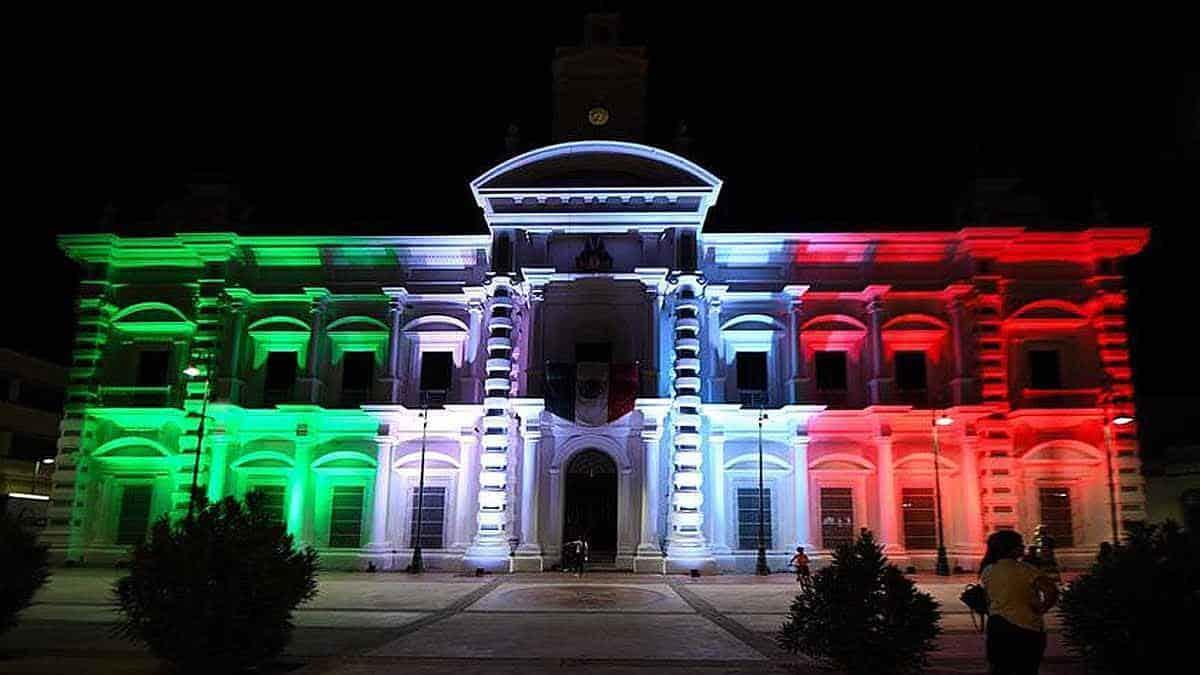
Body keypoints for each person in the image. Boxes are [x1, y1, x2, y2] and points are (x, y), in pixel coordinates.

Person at [979, 530, 1060, 675]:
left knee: (999, 668)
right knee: (1027, 668)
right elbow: (1051, 591)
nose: (1023, 548)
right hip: (1026, 626)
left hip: (997, 625)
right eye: (1020, 545)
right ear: (1011, 548)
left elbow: (988, 599)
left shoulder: (988, 570)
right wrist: (1042, 608)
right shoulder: (1027, 570)